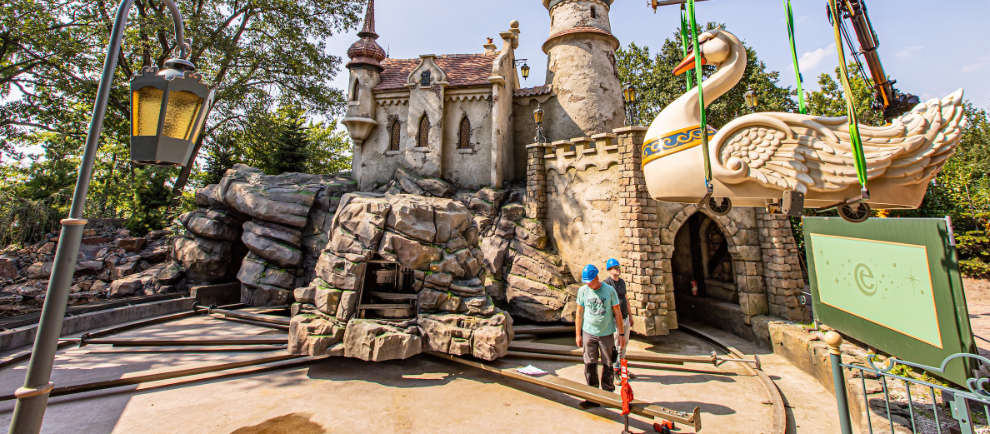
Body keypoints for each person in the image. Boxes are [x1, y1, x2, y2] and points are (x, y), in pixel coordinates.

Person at [575, 264, 625, 407]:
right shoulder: (583, 291)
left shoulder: (609, 291)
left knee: (608, 363)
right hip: (588, 332)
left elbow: (617, 312)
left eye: (590, 281)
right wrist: (578, 334)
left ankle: (608, 394)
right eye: (586, 282)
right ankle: (592, 396)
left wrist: (620, 333)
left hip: (606, 333)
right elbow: (579, 313)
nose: (588, 284)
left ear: (596, 277)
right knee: (589, 363)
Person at [603, 258, 633, 382]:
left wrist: (630, 316)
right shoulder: (606, 284)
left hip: (624, 317)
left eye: (618, 267)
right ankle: (614, 370)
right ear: (610, 270)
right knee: (616, 345)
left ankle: (622, 367)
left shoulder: (622, 282)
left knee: (624, 344)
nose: (618, 269)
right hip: (615, 320)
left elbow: (625, 299)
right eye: (615, 268)